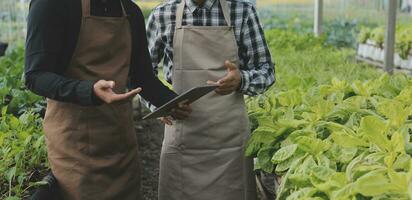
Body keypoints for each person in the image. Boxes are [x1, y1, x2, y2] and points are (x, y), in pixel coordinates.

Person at [25, 0, 191, 199]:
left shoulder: (130, 11)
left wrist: (171, 102)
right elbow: (36, 75)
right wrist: (89, 91)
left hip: (120, 143)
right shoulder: (53, 5)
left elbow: (142, 77)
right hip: (74, 146)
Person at [146, 0, 275, 199]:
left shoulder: (241, 11)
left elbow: (266, 70)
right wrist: (161, 104)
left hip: (230, 143)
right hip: (182, 137)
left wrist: (242, 80)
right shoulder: (163, 14)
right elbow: (141, 74)